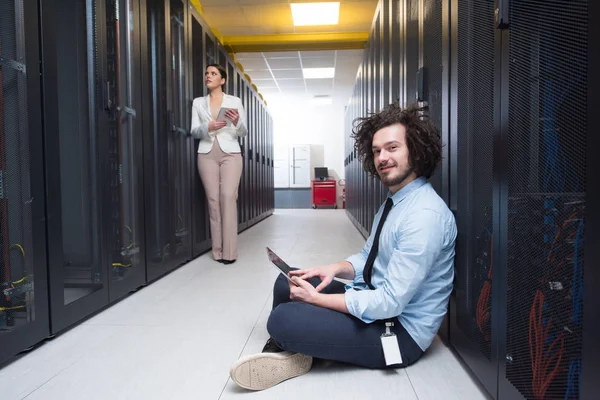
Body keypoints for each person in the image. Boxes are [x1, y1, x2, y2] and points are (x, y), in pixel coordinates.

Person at [228, 102, 457, 391]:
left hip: (398, 333)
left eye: (392, 148)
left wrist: (316, 300)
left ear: (416, 149)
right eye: (376, 151)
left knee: (283, 318)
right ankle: (295, 349)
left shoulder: (424, 215)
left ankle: (291, 344)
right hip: (376, 302)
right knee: (287, 282)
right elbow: (368, 258)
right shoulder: (397, 201)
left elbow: (389, 303)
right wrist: (330, 269)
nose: (382, 158)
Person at [189, 64, 247, 264]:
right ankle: (218, 251)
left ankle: (230, 253)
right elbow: (194, 131)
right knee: (213, 201)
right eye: (206, 73)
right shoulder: (198, 103)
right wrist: (208, 126)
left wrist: (238, 121)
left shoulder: (235, 101)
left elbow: (243, 132)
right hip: (206, 153)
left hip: (230, 153)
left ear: (222, 80)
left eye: (213, 73)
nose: (208, 76)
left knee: (227, 197)